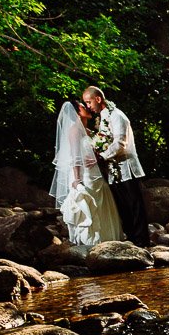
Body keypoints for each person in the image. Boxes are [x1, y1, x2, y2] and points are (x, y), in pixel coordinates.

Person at [82, 85, 151, 246]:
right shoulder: (103, 117)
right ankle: (132, 239)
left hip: (127, 168)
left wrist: (100, 157)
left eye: (89, 102)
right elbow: (104, 139)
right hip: (113, 170)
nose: (88, 106)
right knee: (122, 206)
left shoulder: (117, 115)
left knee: (135, 205)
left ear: (98, 99)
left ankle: (142, 242)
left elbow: (120, 143)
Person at [50, 100, 126, 246]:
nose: (87, 108)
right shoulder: (74, 131)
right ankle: (92, 243)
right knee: (90, 204)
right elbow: (75, 157)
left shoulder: (89, 132)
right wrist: (77, 179)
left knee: (102, 201)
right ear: (77, 112)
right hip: (84, 175)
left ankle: (108, 241)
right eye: (83, 107)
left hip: (95, 173)